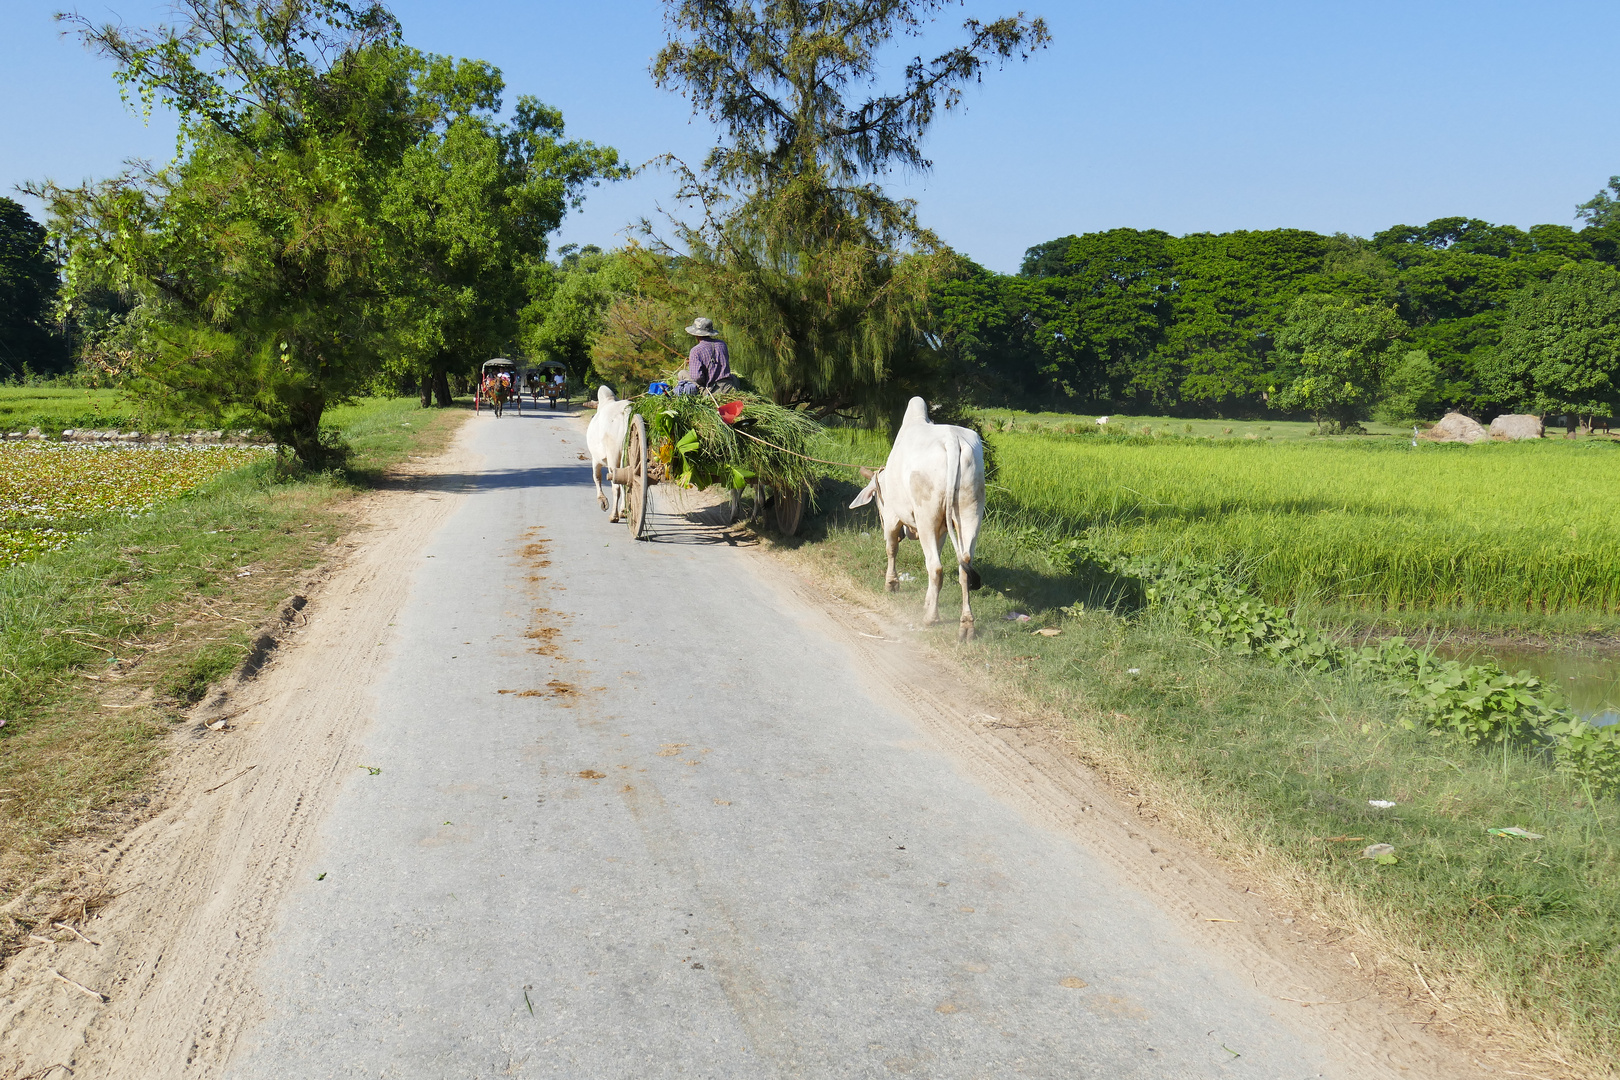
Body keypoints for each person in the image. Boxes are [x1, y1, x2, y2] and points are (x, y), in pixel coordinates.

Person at [684, 316, 740, 391]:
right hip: (727, 386)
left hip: (712, 390)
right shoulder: (722, 344)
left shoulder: (695, 351)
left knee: (682, 373)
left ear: (696, 334)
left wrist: (704, 384)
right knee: (734, 377)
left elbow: (697, 377)